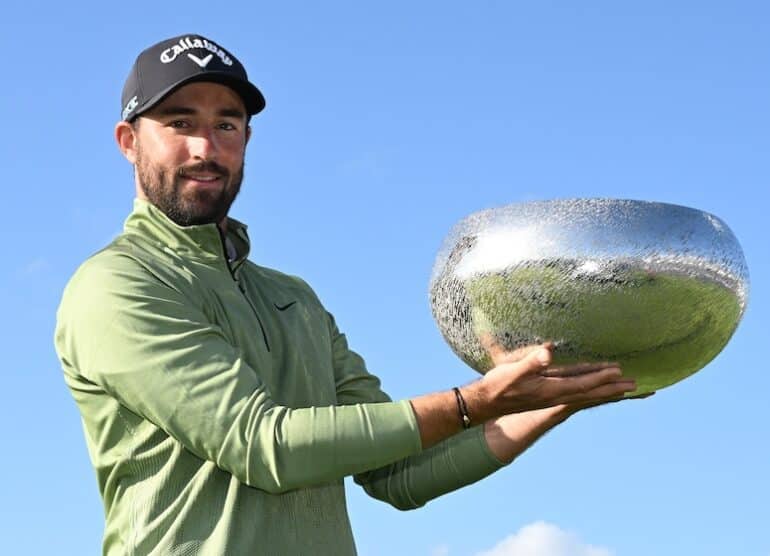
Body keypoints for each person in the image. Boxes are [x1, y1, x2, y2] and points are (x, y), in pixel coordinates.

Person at [54, 34, 639, 556]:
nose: (205, 148)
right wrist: (472, 401)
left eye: (225, 125)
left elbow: (398, 474)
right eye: (180, 124)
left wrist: (544, 398)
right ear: (129, 141)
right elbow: (264, 446)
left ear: (246, 138)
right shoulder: (117, 286)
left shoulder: (293, 299)